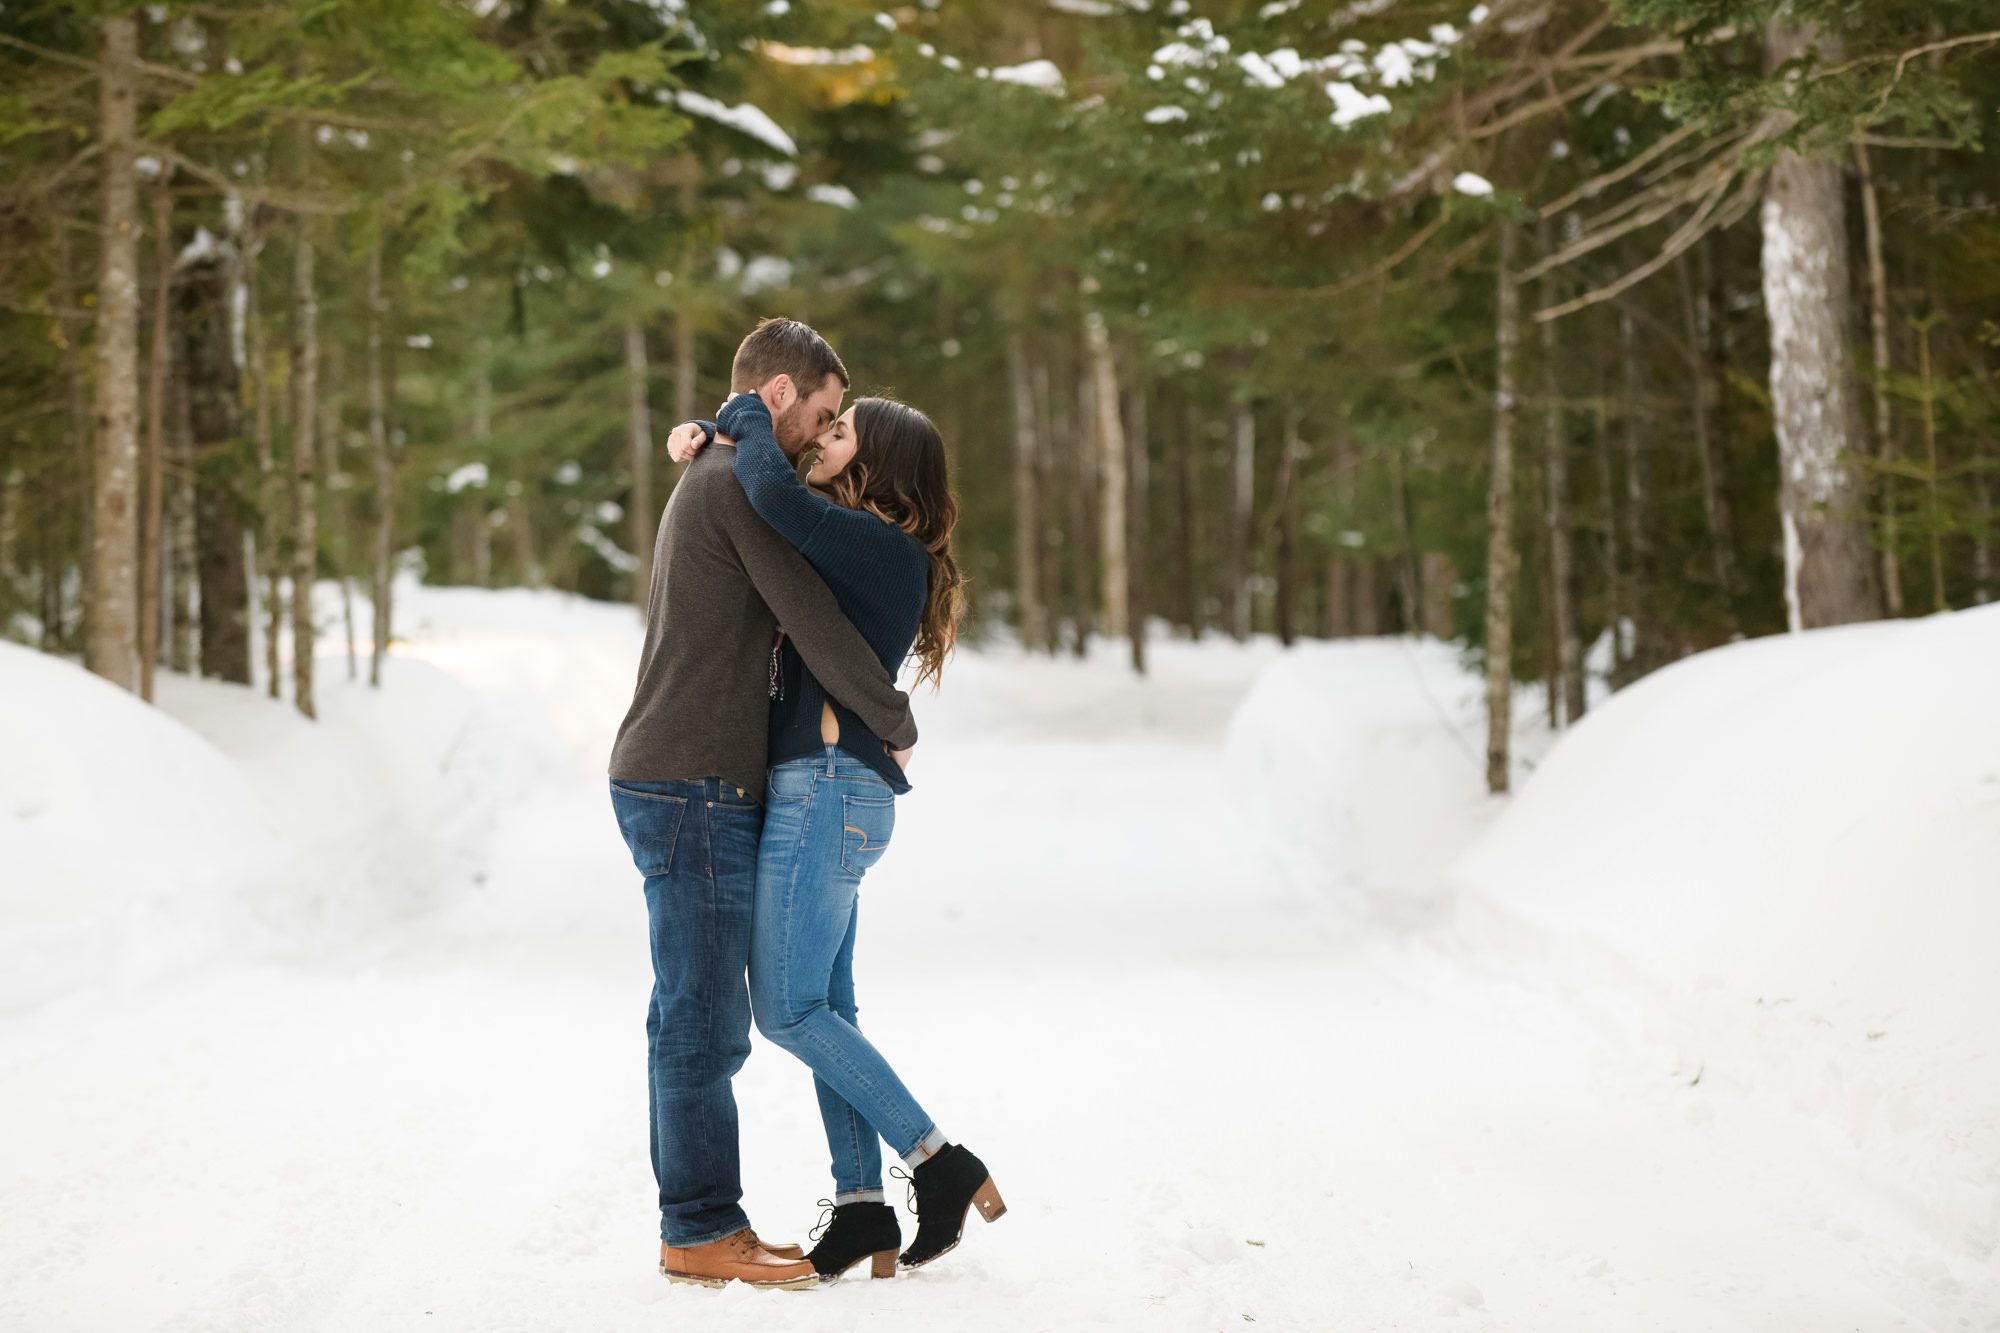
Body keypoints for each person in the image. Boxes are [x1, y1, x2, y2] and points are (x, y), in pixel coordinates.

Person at [663, 383, 1005, 1281]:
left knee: (788, 1008)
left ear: (879, 461)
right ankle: (861, 1207)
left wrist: (738, 413)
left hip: (827, 793)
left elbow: (770, 491)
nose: (824, 436)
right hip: (827, 795)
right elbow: (772, 498)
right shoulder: (854, 546)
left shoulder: (883, 548)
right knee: (832, 1008)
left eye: (842, 430)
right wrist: (707, 433)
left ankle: (938, 1159)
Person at [607, 318, 919, 1291]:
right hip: (690, 776)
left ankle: (705, 1217)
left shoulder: (722, 468)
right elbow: (813, 619)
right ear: (780, 396)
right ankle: (700, 1226)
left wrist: (709, 424)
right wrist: (892, 719)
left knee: (692, 1007)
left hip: (687, 774)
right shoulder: (733, 481)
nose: (826, 436)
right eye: (823, 415)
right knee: (702, 1015)